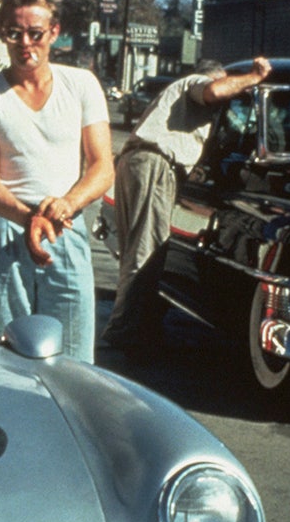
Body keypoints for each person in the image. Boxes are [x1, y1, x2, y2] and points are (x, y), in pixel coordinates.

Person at [0, 0, 114, 363]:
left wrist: (65, 204)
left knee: (74, 357)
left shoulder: (81, 85)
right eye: (14, 32)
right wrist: (29, 219)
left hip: (65, 227)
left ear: (54, 33)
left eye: (36, 33)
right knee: (2, 352)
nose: (25, 43)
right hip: (5, 229)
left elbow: (102, 165)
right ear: (2, 34)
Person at [101, 56, 272, 349]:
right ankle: (125, 332)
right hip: (155, 164)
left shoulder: (179, 98)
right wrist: (254, 77)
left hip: (138, 161)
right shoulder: (196, 83)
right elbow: (215, 91)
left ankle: (134, 324)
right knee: (147, 251)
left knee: (137, 249)